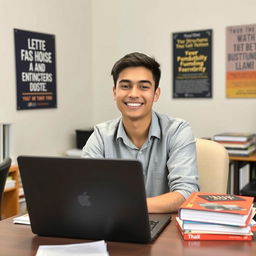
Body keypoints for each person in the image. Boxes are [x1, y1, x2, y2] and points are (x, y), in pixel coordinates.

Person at [82, 52, 199, 213]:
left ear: (155, 94)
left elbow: (186, 193)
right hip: (112, 225)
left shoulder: (178, 131)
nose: (134, 94)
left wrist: (127, 206)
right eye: (125, 86)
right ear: (114, 92)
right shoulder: (100, 136)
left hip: (165, 229)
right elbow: (86, 190)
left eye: (144, 87)